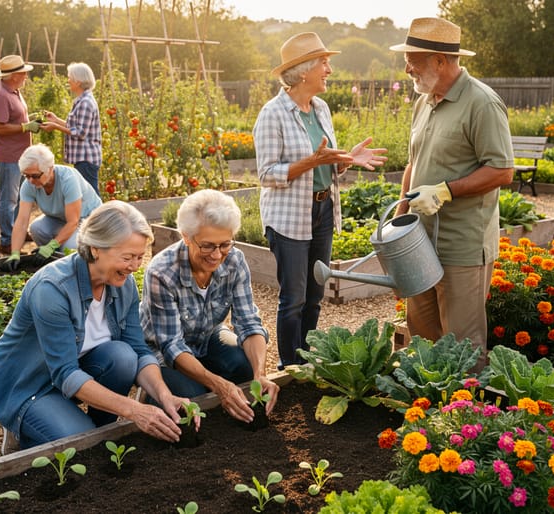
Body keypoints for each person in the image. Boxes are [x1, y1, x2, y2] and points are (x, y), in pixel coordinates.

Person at [0, 201, 190, 451]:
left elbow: (138, 350)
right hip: (27, 384)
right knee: (81, 442)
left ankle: (95, 430)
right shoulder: (52, 289)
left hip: (71, 373)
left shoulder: (123, 284)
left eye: (139, 257)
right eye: (127, 257)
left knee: (123, 356)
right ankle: (25, 429)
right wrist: (135, 410)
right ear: (95, 249)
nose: (135, 266)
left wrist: (164, 397)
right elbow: (65, 372)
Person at [253, 32, 387, 369]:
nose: (329, 69)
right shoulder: (273, 114)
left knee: (315, 294)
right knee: (294, 298)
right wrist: (311, 163)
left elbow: (324, 159)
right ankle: (289, 367)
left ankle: (307, 360)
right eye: (324, 63)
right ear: (302, 71)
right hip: (288, 216)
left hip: (322, 209)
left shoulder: (320, 108)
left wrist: (345, 160)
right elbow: (267, 174)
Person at [389, 18, 514, 370]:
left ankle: (465, 418)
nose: (407, 67)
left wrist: (446, 190)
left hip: (462, 245)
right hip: (419, 240)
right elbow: (414, 165)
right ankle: (428, 416)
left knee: (462, 344)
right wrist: (401, 218)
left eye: (413, 59)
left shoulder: (482, 103)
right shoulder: (425, 101)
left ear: (441, 61)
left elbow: (503, 170)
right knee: (422, 333)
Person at [140, 190, 279, 423]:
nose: (217, 255)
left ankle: (225, 398)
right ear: (186, 237)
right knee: (194, 398)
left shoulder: (235, 260)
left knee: (244, 366)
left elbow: (249, 323)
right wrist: (219, 385)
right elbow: (171, 345)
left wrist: (260, 374)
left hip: (206, 336)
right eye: (207, 246)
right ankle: (155, 396)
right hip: (159, 350)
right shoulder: (162, 272)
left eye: (224, 244)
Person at [1, 144, 102, 271]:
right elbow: (21, 222)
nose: (30, 180)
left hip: (88, 221)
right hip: (61, 218)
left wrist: (51, 246)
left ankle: (73, 267)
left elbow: (73, 222)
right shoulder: (29, 185)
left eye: (35, 176)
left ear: (50, 169)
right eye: (26, 175)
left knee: (69, 247)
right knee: (37, 228)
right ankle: (52, 262)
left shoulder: (68, 179)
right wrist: (15, 253)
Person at [0, 54, 40, 255]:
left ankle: (18, 231)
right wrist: (25, 127)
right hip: (8, 155)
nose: (26, 76)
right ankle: (7, 241)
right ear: (14, 75)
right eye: (24, 73)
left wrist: (31, 120)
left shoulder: (13, 90)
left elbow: (15, 118)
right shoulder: (0, 95)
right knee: (9, 199)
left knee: (20, 197)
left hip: (20, 154)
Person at [42, 62, 102, 194]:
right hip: (83, 157)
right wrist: (56, 120)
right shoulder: (81, 100)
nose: (68, 80)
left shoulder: (86, 103)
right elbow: (76, 126)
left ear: (78, 81)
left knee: (90, 194)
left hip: (86, 158)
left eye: (70, 77)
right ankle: (92, 215)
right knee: (86, 193)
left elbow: (80, 133)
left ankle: (97, 215)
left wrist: (55, 127)